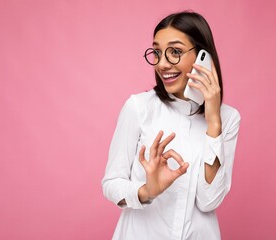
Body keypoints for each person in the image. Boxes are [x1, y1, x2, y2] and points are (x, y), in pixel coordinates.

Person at [102, 11, 241, 240]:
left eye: (175, 52)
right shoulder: (139, 107)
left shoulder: (228, 118)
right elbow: (111, 183)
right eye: (157, 52)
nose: (163, 64)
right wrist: (146, 191)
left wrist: (214, 121)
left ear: (202, 56)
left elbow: (209, 201)